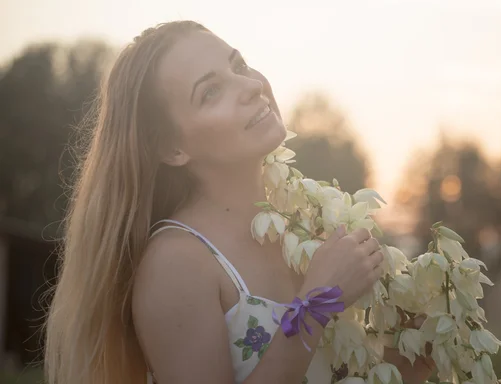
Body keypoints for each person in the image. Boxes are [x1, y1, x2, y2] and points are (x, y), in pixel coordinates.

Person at [44, 20, 433, 384]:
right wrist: (319, 301)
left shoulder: (303, 229)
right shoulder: (177, 263)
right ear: (171, 147)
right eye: (210, 91)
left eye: (239, 65)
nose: (250, 86)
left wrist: (408, 360)